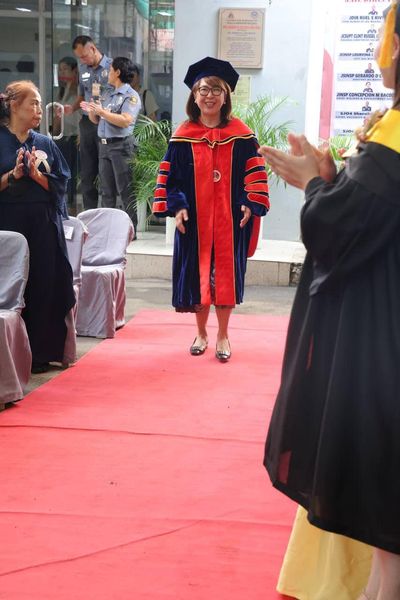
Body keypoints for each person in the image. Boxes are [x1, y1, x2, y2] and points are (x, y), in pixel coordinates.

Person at [261, 2, 400, 599]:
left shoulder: (395, 138)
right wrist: (335, 179)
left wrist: (316, 185)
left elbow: (341, 229)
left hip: (385, 344)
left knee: (388, 531)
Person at [152, 56, 269, 361]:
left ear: (226, 96)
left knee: (224, 278)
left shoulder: (243, 136)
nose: (209, 95)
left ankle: (223, 335)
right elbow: (171, 179)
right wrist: (177, 206)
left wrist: (249, 202)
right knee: (198, 277)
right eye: (203, 89)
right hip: (195, 222)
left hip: (230, 221)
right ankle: (201, 332)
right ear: (194, 95)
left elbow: (254, 173)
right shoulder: (182, 137)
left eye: (216, 90)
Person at [0, 80, 75, 373]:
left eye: (40, 104)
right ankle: (8, 355)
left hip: (43, 224)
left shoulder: (44, 143)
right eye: (33, 104)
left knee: (45, 284)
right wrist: (13, 175)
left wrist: (35, 174)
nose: (39, 110)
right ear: (13, 106)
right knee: (11, 287)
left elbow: (61, 184)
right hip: (8, 225)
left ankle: (41, 353)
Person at [83, 57, 141, 231]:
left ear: (117, 72)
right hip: (104, 146)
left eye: (110, 70)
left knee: (125, 189)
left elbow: (125, 120)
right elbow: (96, 120)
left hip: (121, 146)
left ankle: (130, 229)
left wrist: (102, 112)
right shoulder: (108, 93)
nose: (107, 73)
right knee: (106, 190)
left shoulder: (130, 96)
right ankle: (107, 229)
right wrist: (93, 110)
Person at [65, 35, 112, 210]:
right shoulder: (83, 68)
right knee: (87, 171)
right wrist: (72, 108)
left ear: (92, 48)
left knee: (105, 170)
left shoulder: (112, 67)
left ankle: (107, 212)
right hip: (86, 123)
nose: (82, 60)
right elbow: (82, 95)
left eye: (84, 56)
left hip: (106, 122)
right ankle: (89, 212)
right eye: (79, 58)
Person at [53, 56, 80, 210]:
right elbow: (57, 119)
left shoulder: (80, 93)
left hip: (77, 138)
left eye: (65, 69)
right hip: (63, 137)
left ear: (74, 71)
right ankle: (66, 204)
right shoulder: (60, 93)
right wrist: (65, 92)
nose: (62, 73)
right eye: (60, 70)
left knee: (76, 173)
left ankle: (74, 204)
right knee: (64, 173)